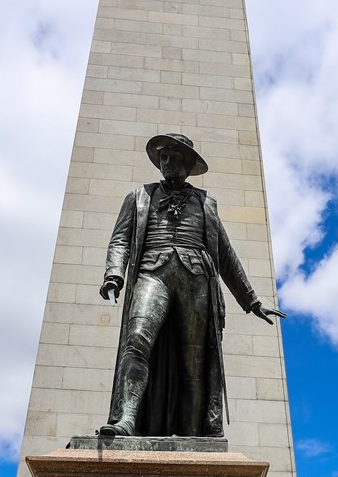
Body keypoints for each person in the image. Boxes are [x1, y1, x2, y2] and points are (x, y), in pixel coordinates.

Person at [99, 132, 285, 437]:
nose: (167, 162)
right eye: (164, 157)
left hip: (196, 279)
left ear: (188, 165)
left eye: (174, 157)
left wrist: (252, 301)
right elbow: (120, 238)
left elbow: (225, 254)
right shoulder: (139, 197)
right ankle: (127, 419)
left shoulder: (205, 203)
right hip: (152, 273)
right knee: (136, 340)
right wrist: (113, 274)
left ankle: (191, 433)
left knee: (194, 361)